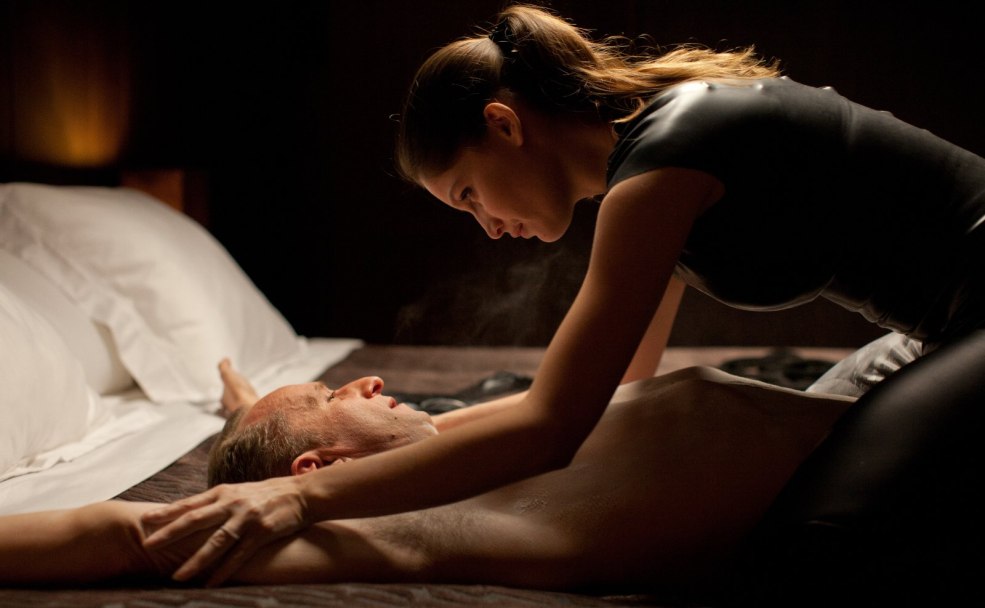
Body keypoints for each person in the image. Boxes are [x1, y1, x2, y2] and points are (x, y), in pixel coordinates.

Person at [140, 2, 985, 595]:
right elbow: (619, 390)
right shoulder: (651, 167)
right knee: (804, 448)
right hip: (942, 333)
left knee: (813, 542)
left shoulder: (664, 164)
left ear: (504, 126)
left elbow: (554, 424)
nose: (486, 226)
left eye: (469, 194)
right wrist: (343, 448)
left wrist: (298, 494)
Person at [0, 360, 852, 594]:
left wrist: (245, 401)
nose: (365, 380)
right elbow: (129, 535)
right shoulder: (422, 525)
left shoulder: (477, 445)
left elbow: (596, 384)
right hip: (878, 487)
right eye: (333, 396)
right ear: (316, 469)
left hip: (848, 406)